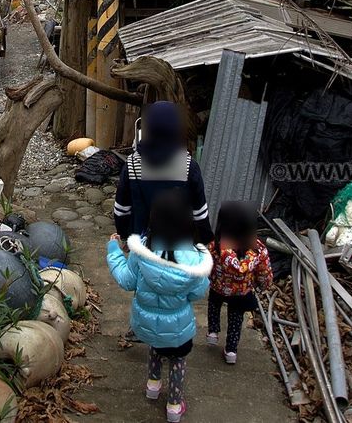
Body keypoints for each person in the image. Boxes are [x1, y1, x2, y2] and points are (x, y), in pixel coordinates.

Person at [107, 191, 212, 422]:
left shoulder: (142, 250)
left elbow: (126, 280)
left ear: (153, 221)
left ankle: (152, 387)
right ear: (187, 222)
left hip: (146, 325)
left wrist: (114, 251)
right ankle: (174, 406)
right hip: (178, 329)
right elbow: (197, 293)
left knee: (156, 347)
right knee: (177, 361)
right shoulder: (194, 260)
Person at [113, 101, 213, 245]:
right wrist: (206, 242)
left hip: (141, 247)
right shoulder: (188, 166)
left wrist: (125, 235)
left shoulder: (132, 164)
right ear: (176, 128)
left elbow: (121, 210)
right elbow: (200, 214)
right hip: (180, 248)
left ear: (148, 128)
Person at [206, 201, 273, 364]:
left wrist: (208, 277)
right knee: (236, 319)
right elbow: (264, 273)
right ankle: (231, 351)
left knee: (214, 304)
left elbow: (207, 265)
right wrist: (264, 284)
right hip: (241, 292)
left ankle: (213, 332)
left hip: (218, 286)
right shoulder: (257, 249)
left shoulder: (215, 246)